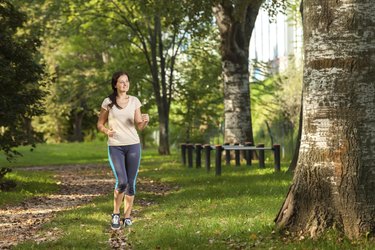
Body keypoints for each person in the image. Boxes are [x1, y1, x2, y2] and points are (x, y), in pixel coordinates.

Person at [97, 71, 149, 230]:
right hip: (115, 146)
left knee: (131, 183)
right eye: (121, 82)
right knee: (122, 181)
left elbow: (139, 126)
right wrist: (107, 132)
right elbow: (100, 124)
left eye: (126, 81)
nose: (125, 84)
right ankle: (115, 214)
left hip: (133, 145)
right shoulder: (108, 102)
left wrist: (145, 121)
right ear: (115, 84)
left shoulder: (135, 101)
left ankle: (127, 216)